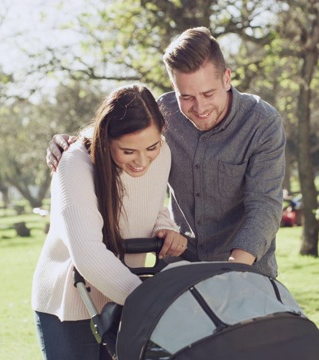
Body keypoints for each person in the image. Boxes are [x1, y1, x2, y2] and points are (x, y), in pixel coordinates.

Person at [46, 27, 285, 279]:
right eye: (187, 97)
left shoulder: (262, 122)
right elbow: (119, 133)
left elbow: (264, 206)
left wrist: (233, 270)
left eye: (208, 94)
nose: (200, 107)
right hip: (180, 269)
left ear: (227, 78)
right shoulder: (163, 112)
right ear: (174, 86)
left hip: (244, 270)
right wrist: (72, 142)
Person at [33, 84, 188, 359]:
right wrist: (150, 304)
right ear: (106, 138)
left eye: (151, 146)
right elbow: (88, 254)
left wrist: (166, 226)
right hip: (72, 305)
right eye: (128, 151)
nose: (142, 160)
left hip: (128, 299)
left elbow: (147, 204)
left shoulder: (162, 153)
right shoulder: (74, 164)